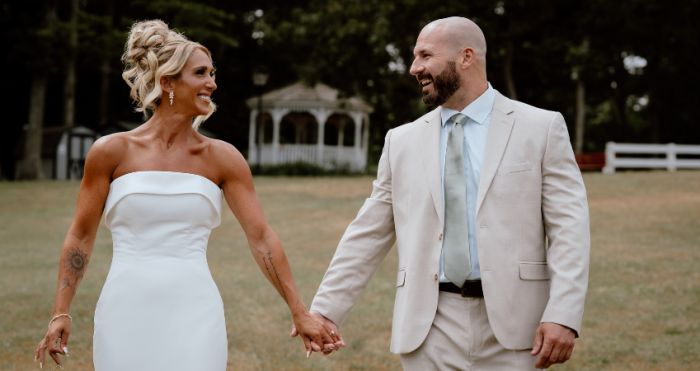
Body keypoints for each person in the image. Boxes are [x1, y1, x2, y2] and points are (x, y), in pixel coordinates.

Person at [35, 20, 340, 370]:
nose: (212, 83)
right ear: (167, 82)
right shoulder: (110, 152)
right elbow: (81, 235)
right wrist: (61, 311)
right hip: (124, 308)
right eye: (201, 73)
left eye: (212, 73)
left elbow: (261, 238)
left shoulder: (223, 158)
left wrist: (299, 311)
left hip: (196, 310)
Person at [297, 17, 590, 370]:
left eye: (425, 55)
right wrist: (327, 310)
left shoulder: (541, 128)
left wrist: (563, 313)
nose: (413, 68)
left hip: (518, 327)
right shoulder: (400, 141)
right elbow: (368, 232)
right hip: (427, 327)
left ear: (466, 58)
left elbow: (569, 229)